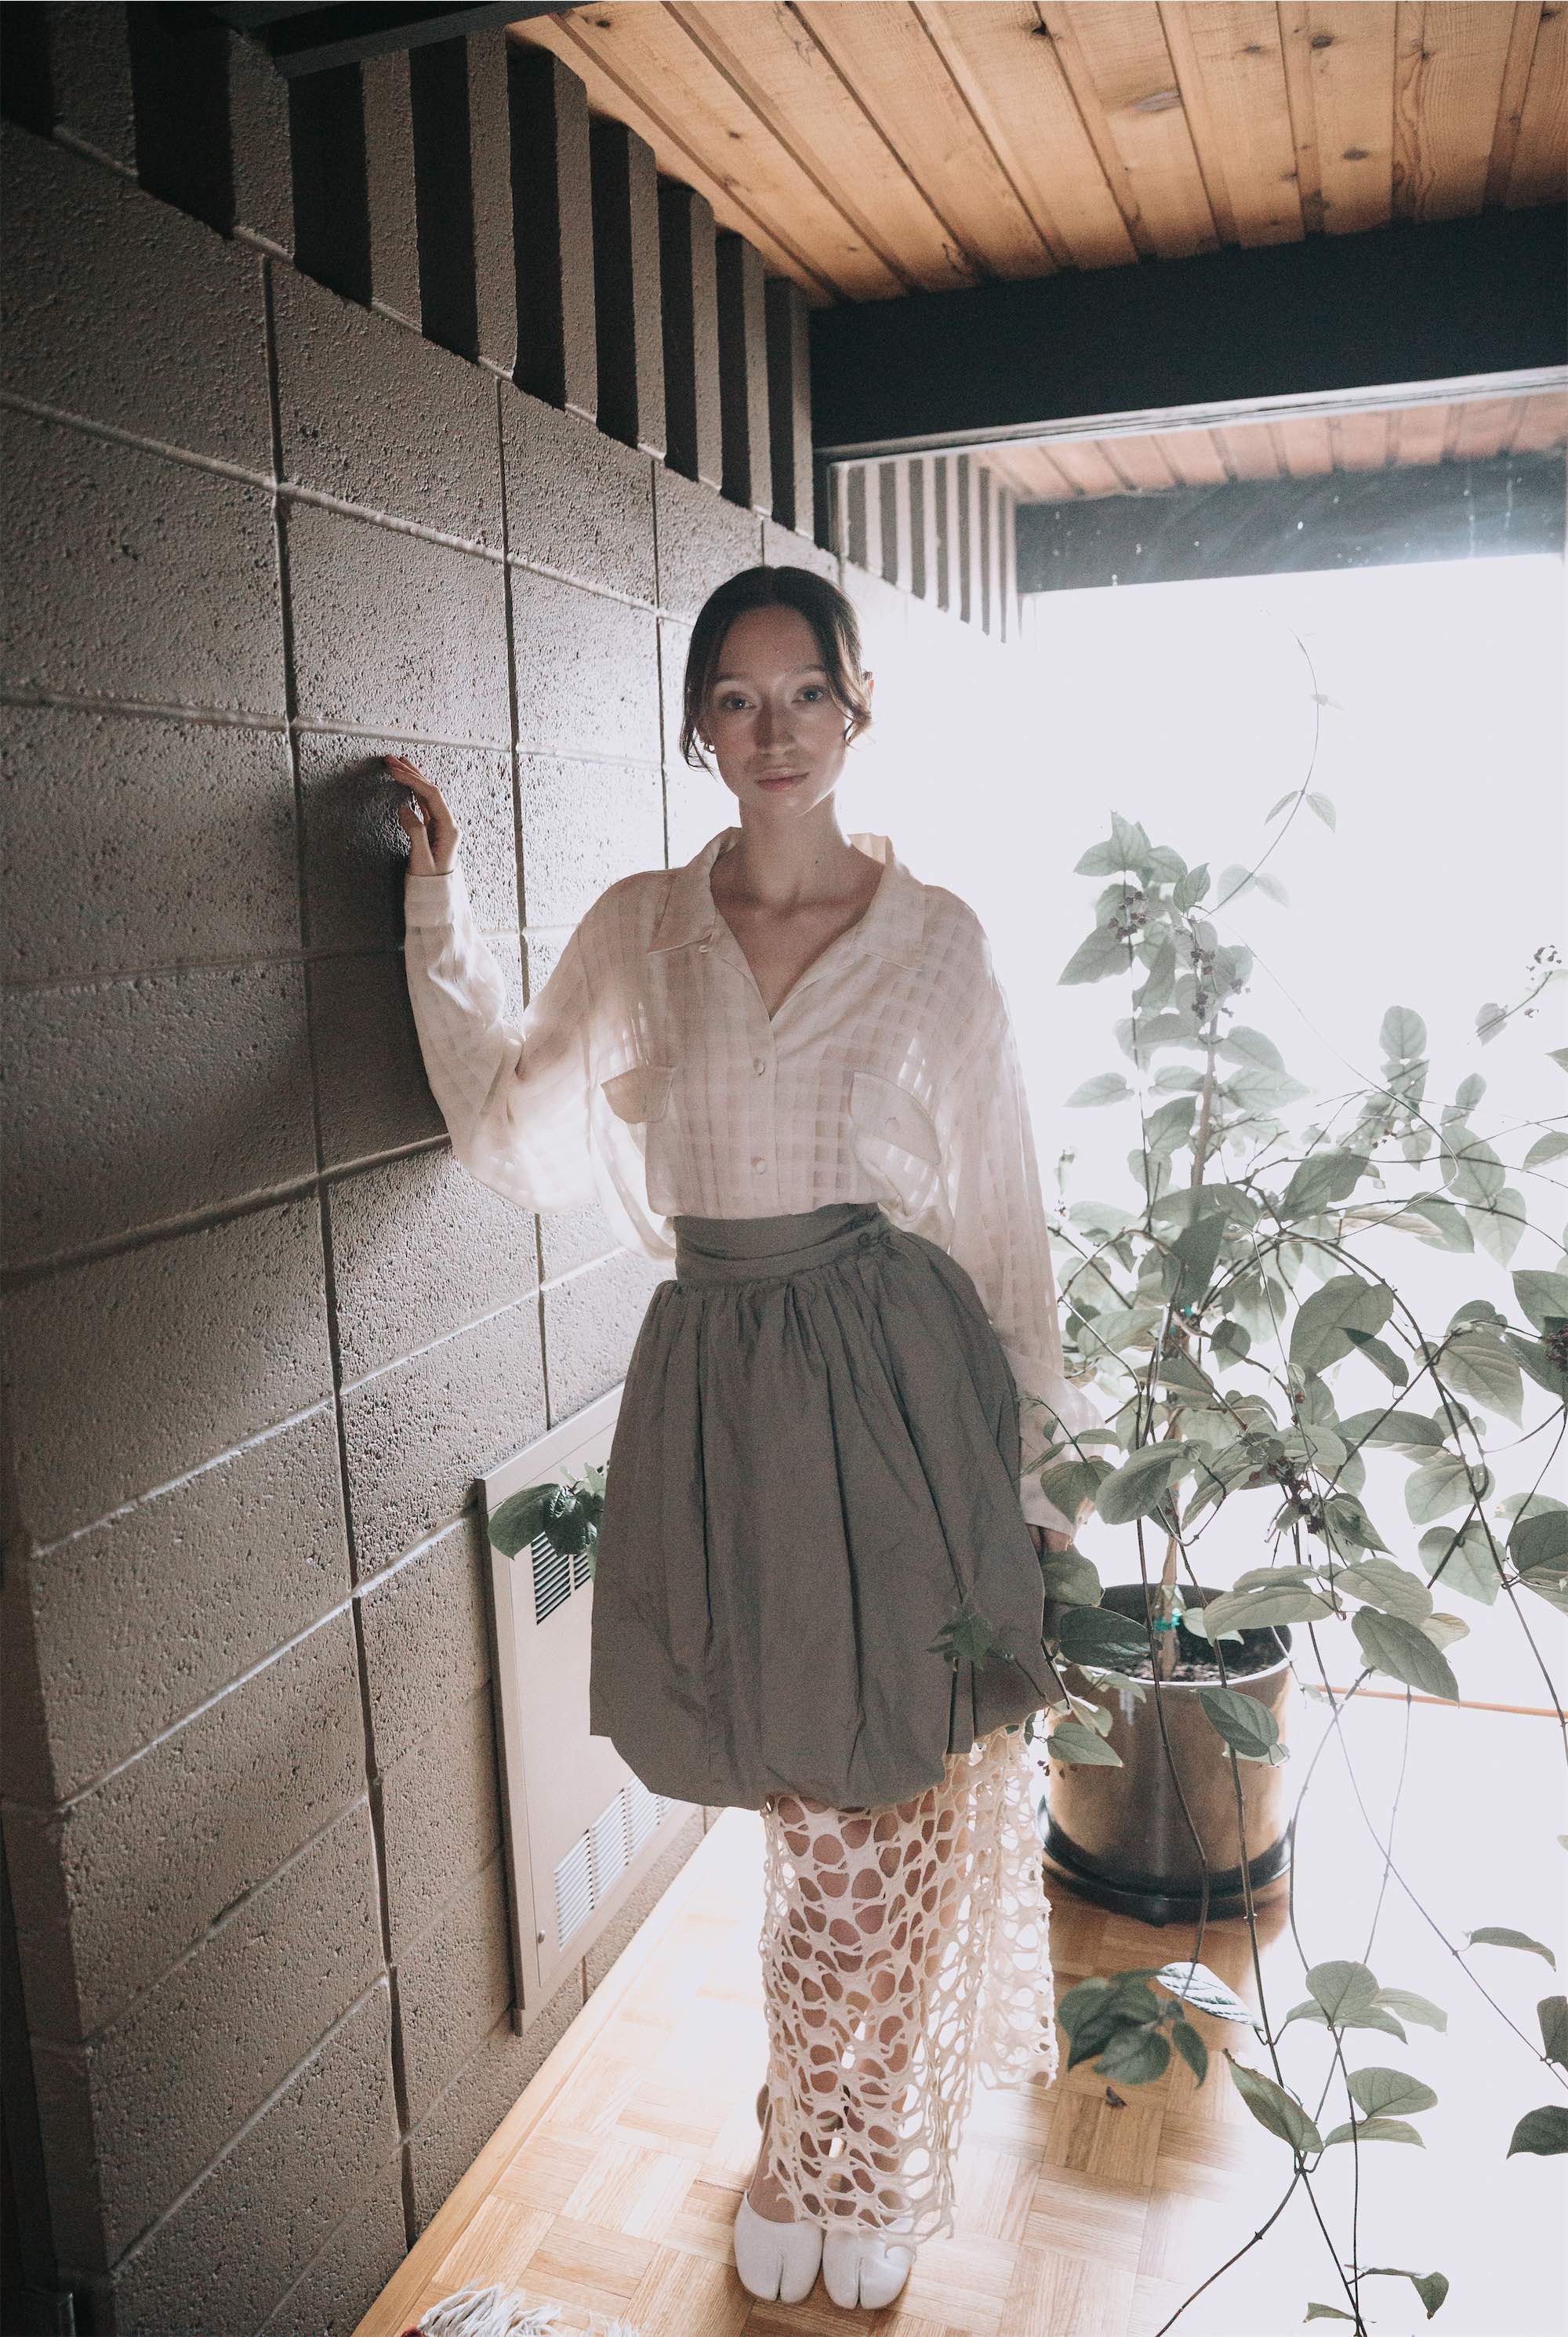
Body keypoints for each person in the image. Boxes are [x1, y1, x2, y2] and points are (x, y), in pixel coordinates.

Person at [388, 564, 1098, 2313]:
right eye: (736, 697)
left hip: (898, 1398)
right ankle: (807, 2123)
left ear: (857, 711)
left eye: (806, 694)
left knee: (881, 1799)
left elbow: (1004, 1217)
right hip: (722, 1400)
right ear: (698, 727)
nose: (774, 730)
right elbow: (513, 1118)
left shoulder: (937, 943)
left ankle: (836, 2144)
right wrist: (438, 913)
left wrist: (1040, 1488)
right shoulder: (644, 928)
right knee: (800, 1805)